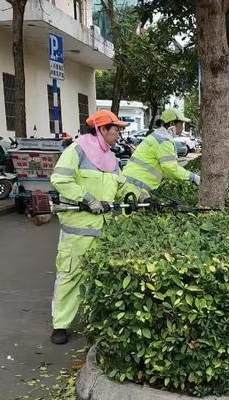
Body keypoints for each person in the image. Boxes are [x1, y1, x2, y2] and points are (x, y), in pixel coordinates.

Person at [49, 110, 133, 345]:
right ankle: (61, 325)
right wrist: (88, 199)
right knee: (70, 275)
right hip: (78, 230)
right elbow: (60, 180)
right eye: (115, 129)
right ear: (101, 129)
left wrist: (138, 195)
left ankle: (93, 322)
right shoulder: (76, 151)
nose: (119, 133)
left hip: (103, 230)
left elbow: (121, 184)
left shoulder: (111, 157)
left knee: (97, 278)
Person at [121, 108, 200, 197]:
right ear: (172, 124)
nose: (182, 127)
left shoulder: (156, 136)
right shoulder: (164, 141)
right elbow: (170, 169)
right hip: (137, 187)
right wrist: (192, 177)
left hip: (130, 184)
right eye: (181, 124)